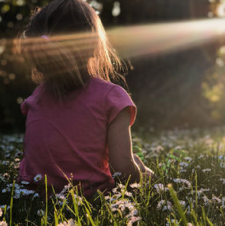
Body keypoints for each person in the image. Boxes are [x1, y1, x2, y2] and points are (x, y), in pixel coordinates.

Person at [17, 0, 153, 197]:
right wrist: (144, 178)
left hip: (34, 196)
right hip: (91, 198)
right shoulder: (111, 98)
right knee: (137, 165)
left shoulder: (34, 99)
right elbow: (122, 168)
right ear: (92, 45)